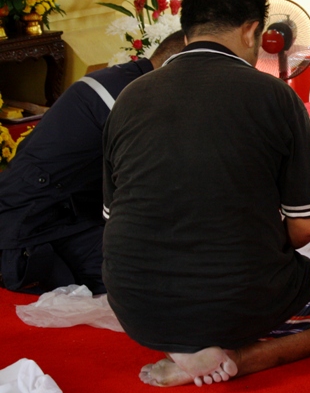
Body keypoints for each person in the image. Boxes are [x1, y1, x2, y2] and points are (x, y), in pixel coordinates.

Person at [102, 0, 310, 388]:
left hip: (134, 301)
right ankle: (238, 358)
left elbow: (114, 216)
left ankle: (182, 343)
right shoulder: (274, 95)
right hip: (235, 293)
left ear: (187, 30)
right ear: (252, 30)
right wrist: (259, 243)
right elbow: (306, 226)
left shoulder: (130, 96)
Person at [0, 32, 185, 295]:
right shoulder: (126, 99)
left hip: (67, 211)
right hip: (31, 231)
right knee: (161, 272)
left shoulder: (121, 79)